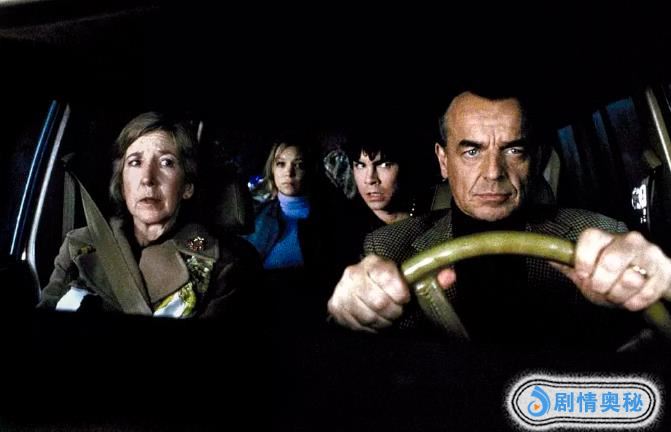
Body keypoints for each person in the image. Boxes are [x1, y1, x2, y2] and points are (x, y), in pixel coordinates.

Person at [327, 90, 671, 348]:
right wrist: (347, 312)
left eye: (513, 149)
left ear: (535, 160)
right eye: (472, 151)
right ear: (443, 161)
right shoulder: (387, 247)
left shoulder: (601, 236)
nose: (493, 172)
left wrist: (664, 281)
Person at [39, 112, 260, 318]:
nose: (147, 178)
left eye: (166, 162)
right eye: (135, 162)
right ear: (122, 184)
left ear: (187, 187)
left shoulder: (219, 263)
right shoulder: (80, 245)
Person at [344, 131, 411, 231]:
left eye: (384, 165)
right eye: (361, 165)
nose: (369, 179)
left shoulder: (432, 206)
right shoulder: (347, 227)